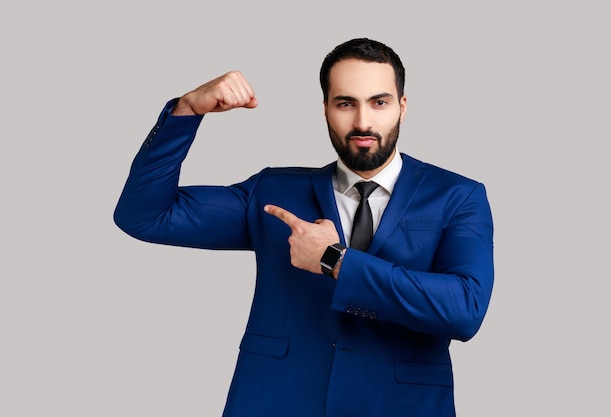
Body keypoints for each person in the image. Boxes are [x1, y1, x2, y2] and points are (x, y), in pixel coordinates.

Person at [114, 38, 494, 417]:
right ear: (326, 108)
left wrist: (335, 260)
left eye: (379, 102)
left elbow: (465, 309)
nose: (363, 121)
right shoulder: (274, 190)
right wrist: (186, 112)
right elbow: (145, 215)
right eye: (346, 103)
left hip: (400, 406)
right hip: (277, 402)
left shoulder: (458, 197)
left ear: (402, 107)